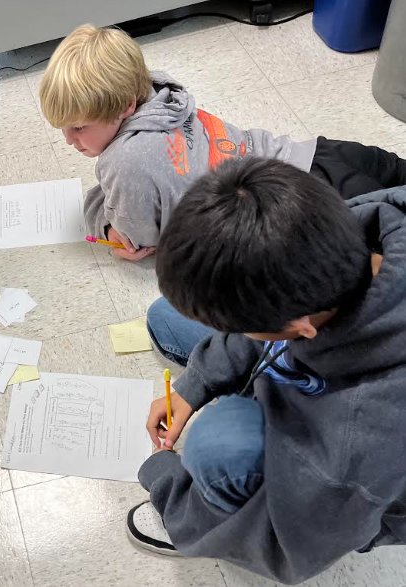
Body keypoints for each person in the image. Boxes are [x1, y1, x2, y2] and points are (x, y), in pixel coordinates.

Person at [125, 157, 406, 584]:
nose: (229, 332)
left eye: (242, 327)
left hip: (363, 490)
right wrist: (193, 385)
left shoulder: (356, 441)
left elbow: (287, 551)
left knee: (220, 445)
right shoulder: (353, 226)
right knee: (169, 317)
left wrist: (166, 480)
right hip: (336, 356)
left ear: (302, 329)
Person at [38, 24, 406, 262]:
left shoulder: (123, 162)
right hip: (321, 155)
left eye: (78, 127)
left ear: (125, 106)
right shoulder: (160, 91)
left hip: (305, 212)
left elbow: (136, 239)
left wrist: (100, 219)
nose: (69, 140)